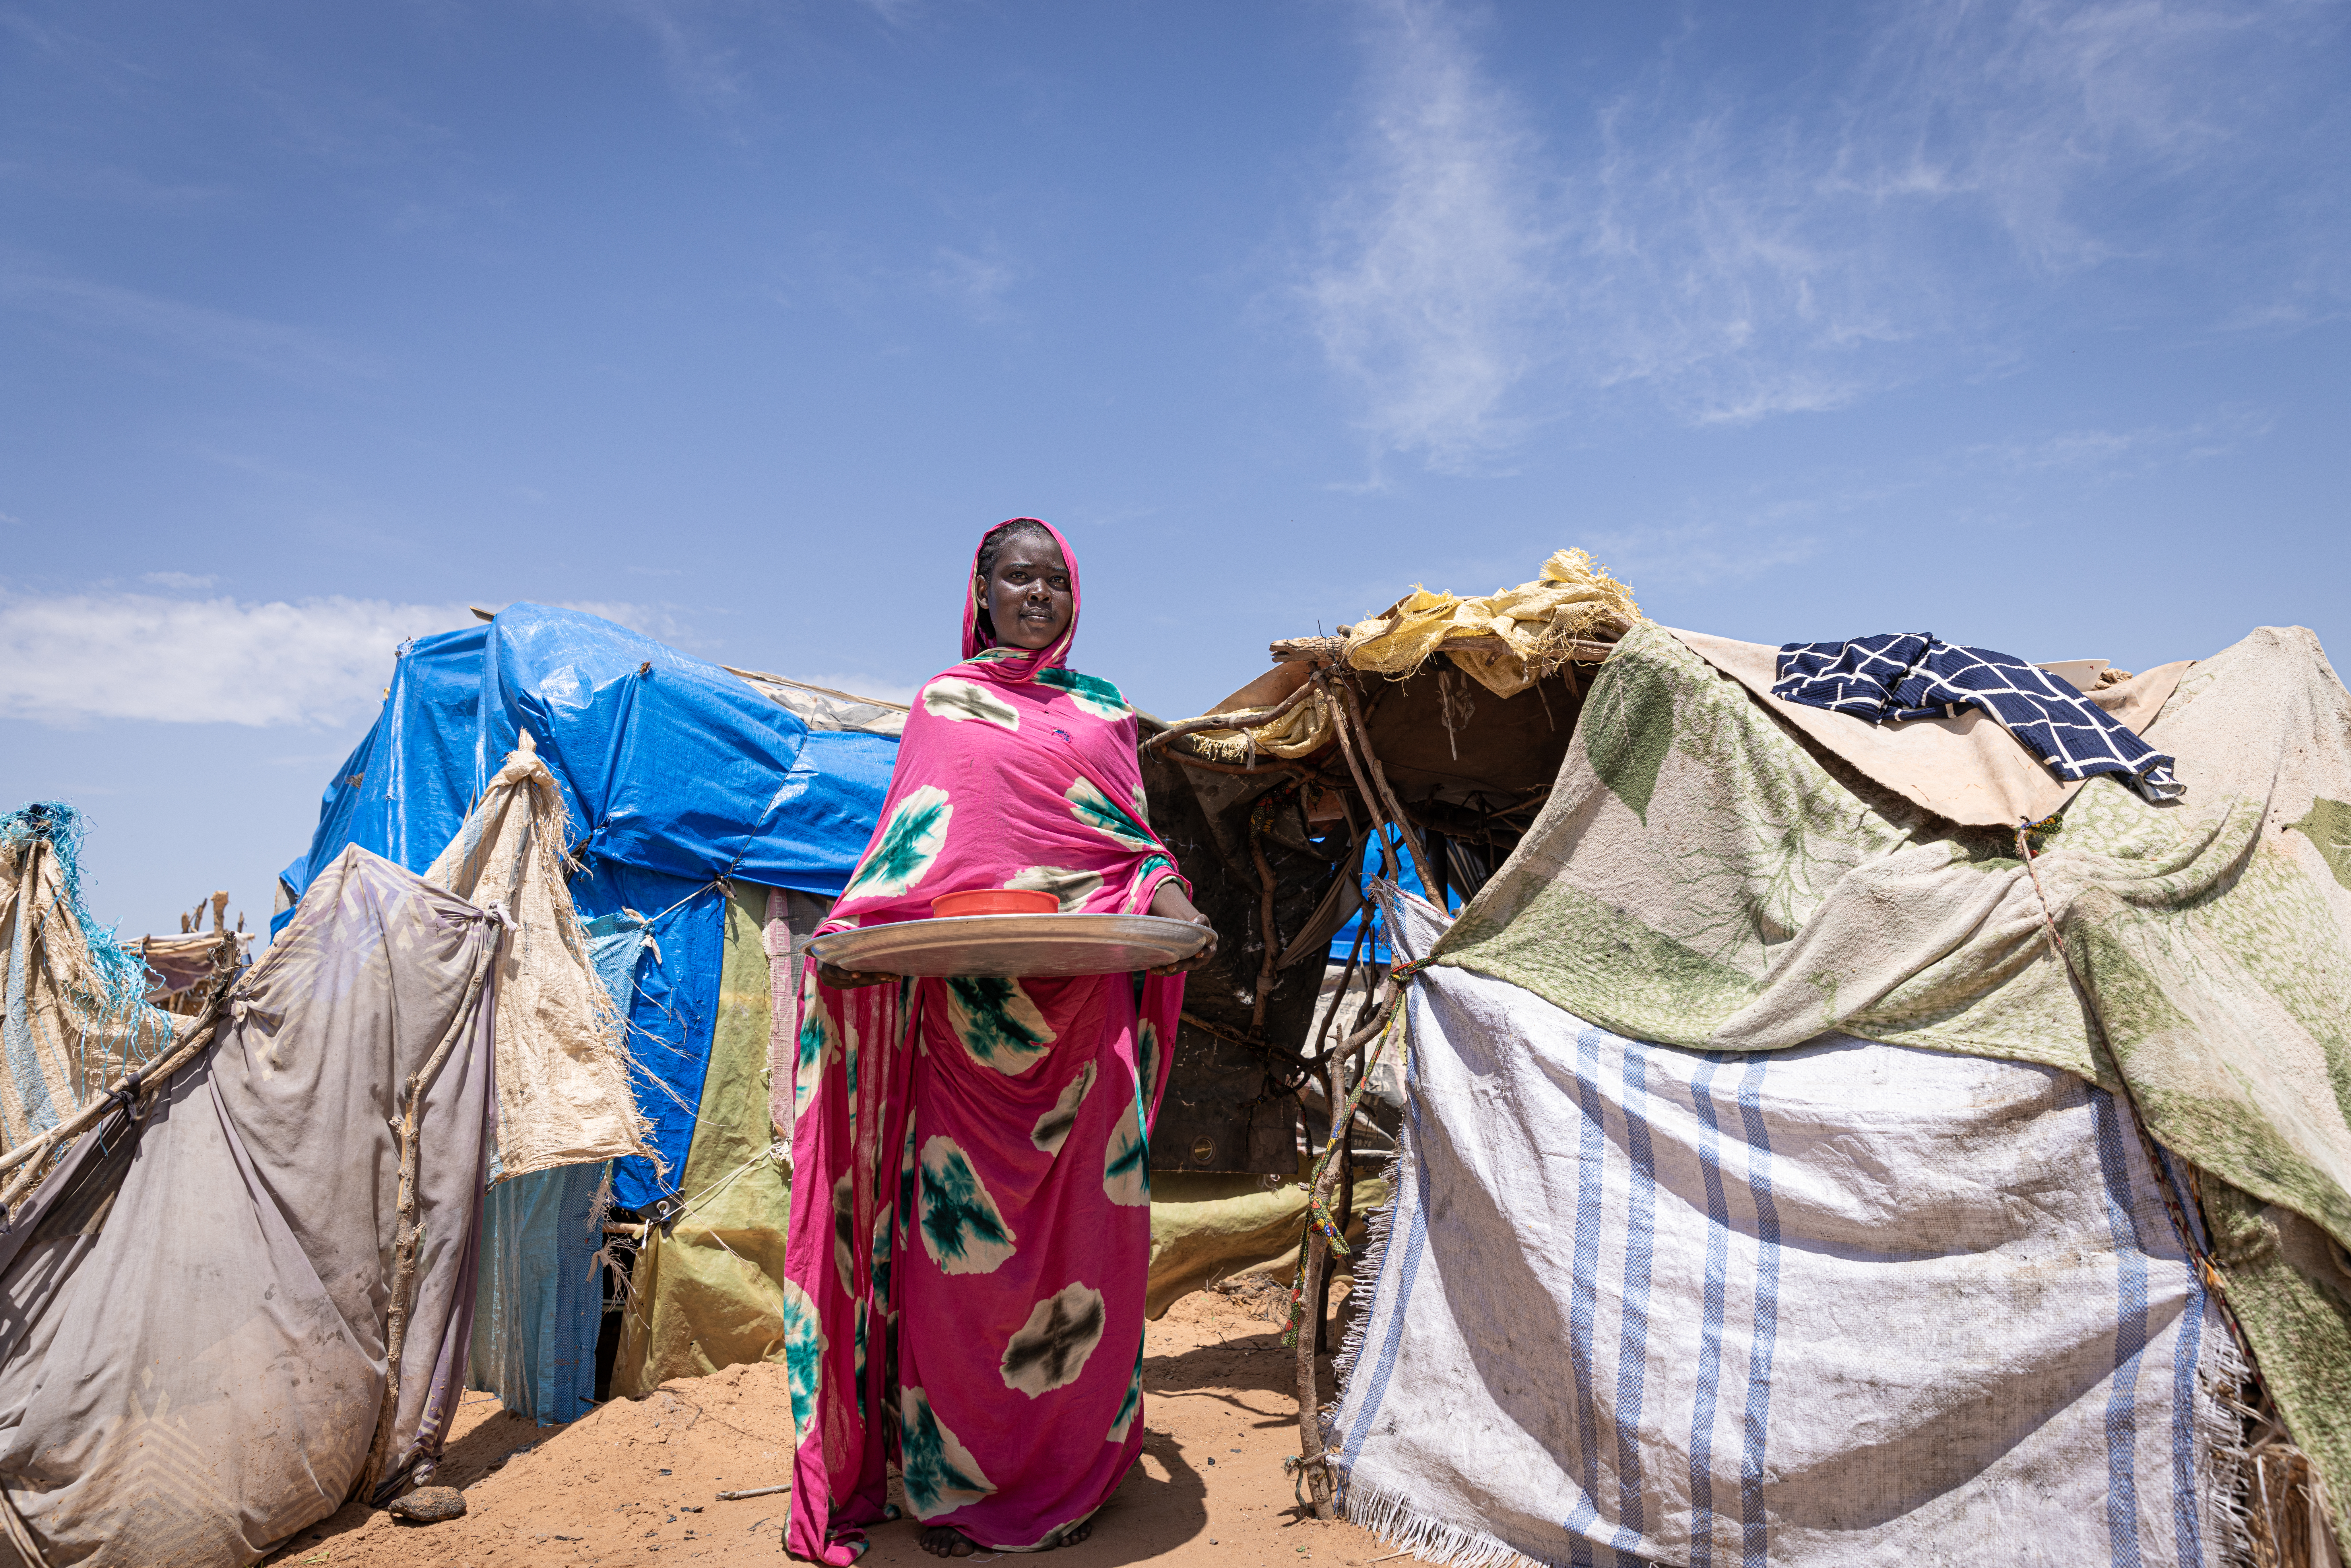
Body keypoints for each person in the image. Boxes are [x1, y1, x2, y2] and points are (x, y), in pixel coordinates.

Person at [783, 518, 1217, 1563]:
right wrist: (851, 931)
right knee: (959, 1276)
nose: (1037, 596)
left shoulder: (1105, 711)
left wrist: (1173, 898)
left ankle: (1074, 1476)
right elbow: (915, 848)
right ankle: (952, 1484)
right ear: (979, 591)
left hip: (1085, 1037)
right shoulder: (944, 703)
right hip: (969, 1039)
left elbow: (1128, 851)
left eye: (1055, 581)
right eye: (1017, 578)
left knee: (1092, 1267)